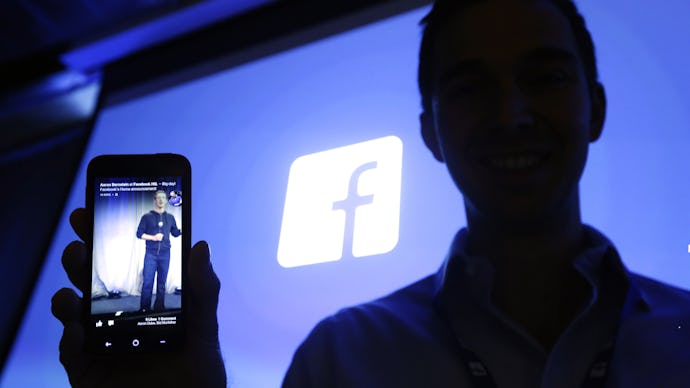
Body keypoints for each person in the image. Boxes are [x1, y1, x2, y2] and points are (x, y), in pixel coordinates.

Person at [52, 0, 690, 387]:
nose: (511, 113)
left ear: (597, 108)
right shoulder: (341, 355)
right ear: (429, 133)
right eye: (469, 88)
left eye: (544, 77)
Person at [136, 190, 181, 312]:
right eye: (158, 197)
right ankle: (144, 308)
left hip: (165, 255)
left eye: (163, 197)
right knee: (147, 283)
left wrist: (182, 230)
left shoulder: (170, 218)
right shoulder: (146, 217)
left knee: (162, 284)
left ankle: (159, 307)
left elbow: (175, 232)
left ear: (166, 200)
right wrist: (153, 237)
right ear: (154, 200)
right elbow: (139, 234)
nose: (161, 200)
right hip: (151, 254)